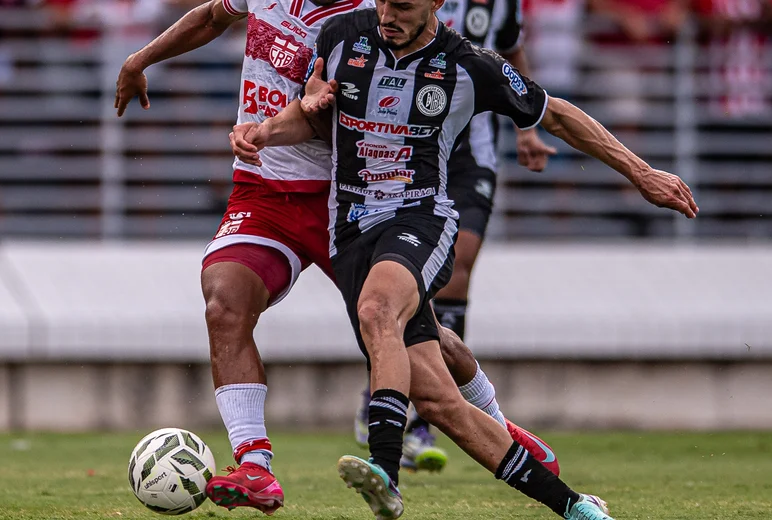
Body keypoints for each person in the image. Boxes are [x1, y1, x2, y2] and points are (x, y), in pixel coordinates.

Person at [230, 1, 698, 518]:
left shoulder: (470, 65)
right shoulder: (342, 35)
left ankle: (384, 469)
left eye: (403, 6)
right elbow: (314, 112)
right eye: (383, 0)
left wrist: (643, 174)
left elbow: (559, 115)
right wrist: (265, 130)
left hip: (419, 219)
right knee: (439, 404)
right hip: (350, 231)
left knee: (377, 311)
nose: (387, 14)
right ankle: (577, 508)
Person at [114, 0, 562, 514]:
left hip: (344, 198)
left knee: (419, 341)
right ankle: (255, 467)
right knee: (224, 303)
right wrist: (140, 59)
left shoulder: (372, 15)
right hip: (261, 190)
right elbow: (213, 16)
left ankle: (498, 427)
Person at [351, 0, 559, 474]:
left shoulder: (499, 5)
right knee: (400, 295)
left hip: (472, 156)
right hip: (406, 149)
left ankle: (423, 414)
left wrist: (526, 127)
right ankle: (395, 396)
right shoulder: (391, 7)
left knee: (457, 270)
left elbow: (510, 55)